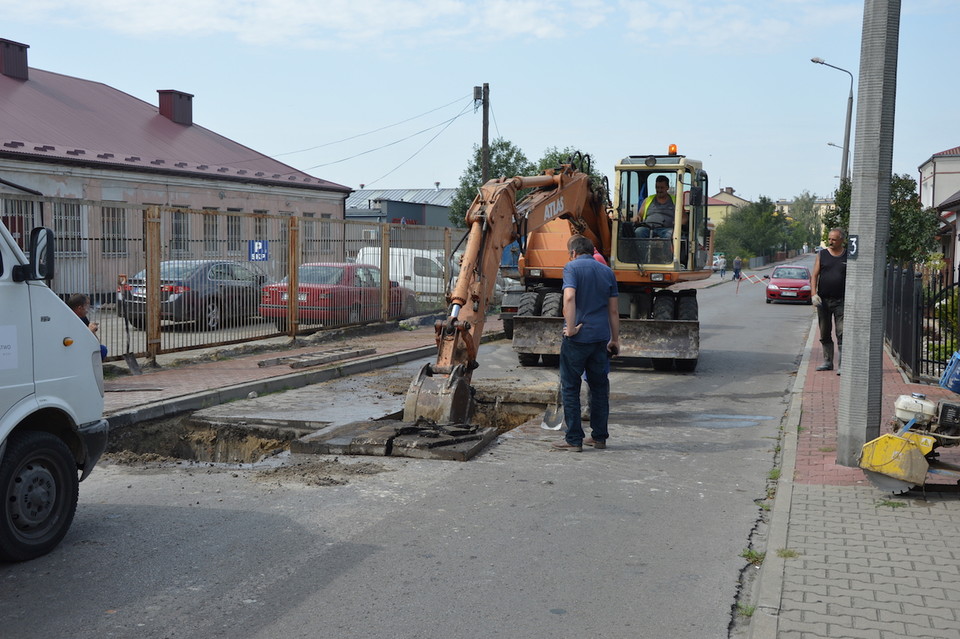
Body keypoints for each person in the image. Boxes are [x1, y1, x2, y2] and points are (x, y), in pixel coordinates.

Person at [552, 235, 620, 452]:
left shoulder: (571, 268)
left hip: (578, 339)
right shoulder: (607, 271)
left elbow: (569, 298)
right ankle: (599, 437)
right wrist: (615, 339)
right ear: (592, 251)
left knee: (571, 388)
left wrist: (571, 328)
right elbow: (614, 310)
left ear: (573, 253)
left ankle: (574, 439)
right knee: (599, 388)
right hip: (600, 339)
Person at [811, 228, 847, 374]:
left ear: (842, 240)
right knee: (825, 332)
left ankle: (843, 364)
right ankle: (827, 361)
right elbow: (814, 275)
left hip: (841, 300)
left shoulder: (848, 255)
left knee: (842, 332)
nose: (830, 242)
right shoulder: (822, 254)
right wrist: (813, 294)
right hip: (823, 300)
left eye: (834, 239)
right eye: (829, 239)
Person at [67, 294, 108, 361]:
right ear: (79, 308)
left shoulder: (83, 318)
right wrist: (89, 331)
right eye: (87, 305)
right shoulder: (69, 320)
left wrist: (92, 331)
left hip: (84, 347)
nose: (89, 308)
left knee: (102, 349)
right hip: (73, 350)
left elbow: (95, 343)